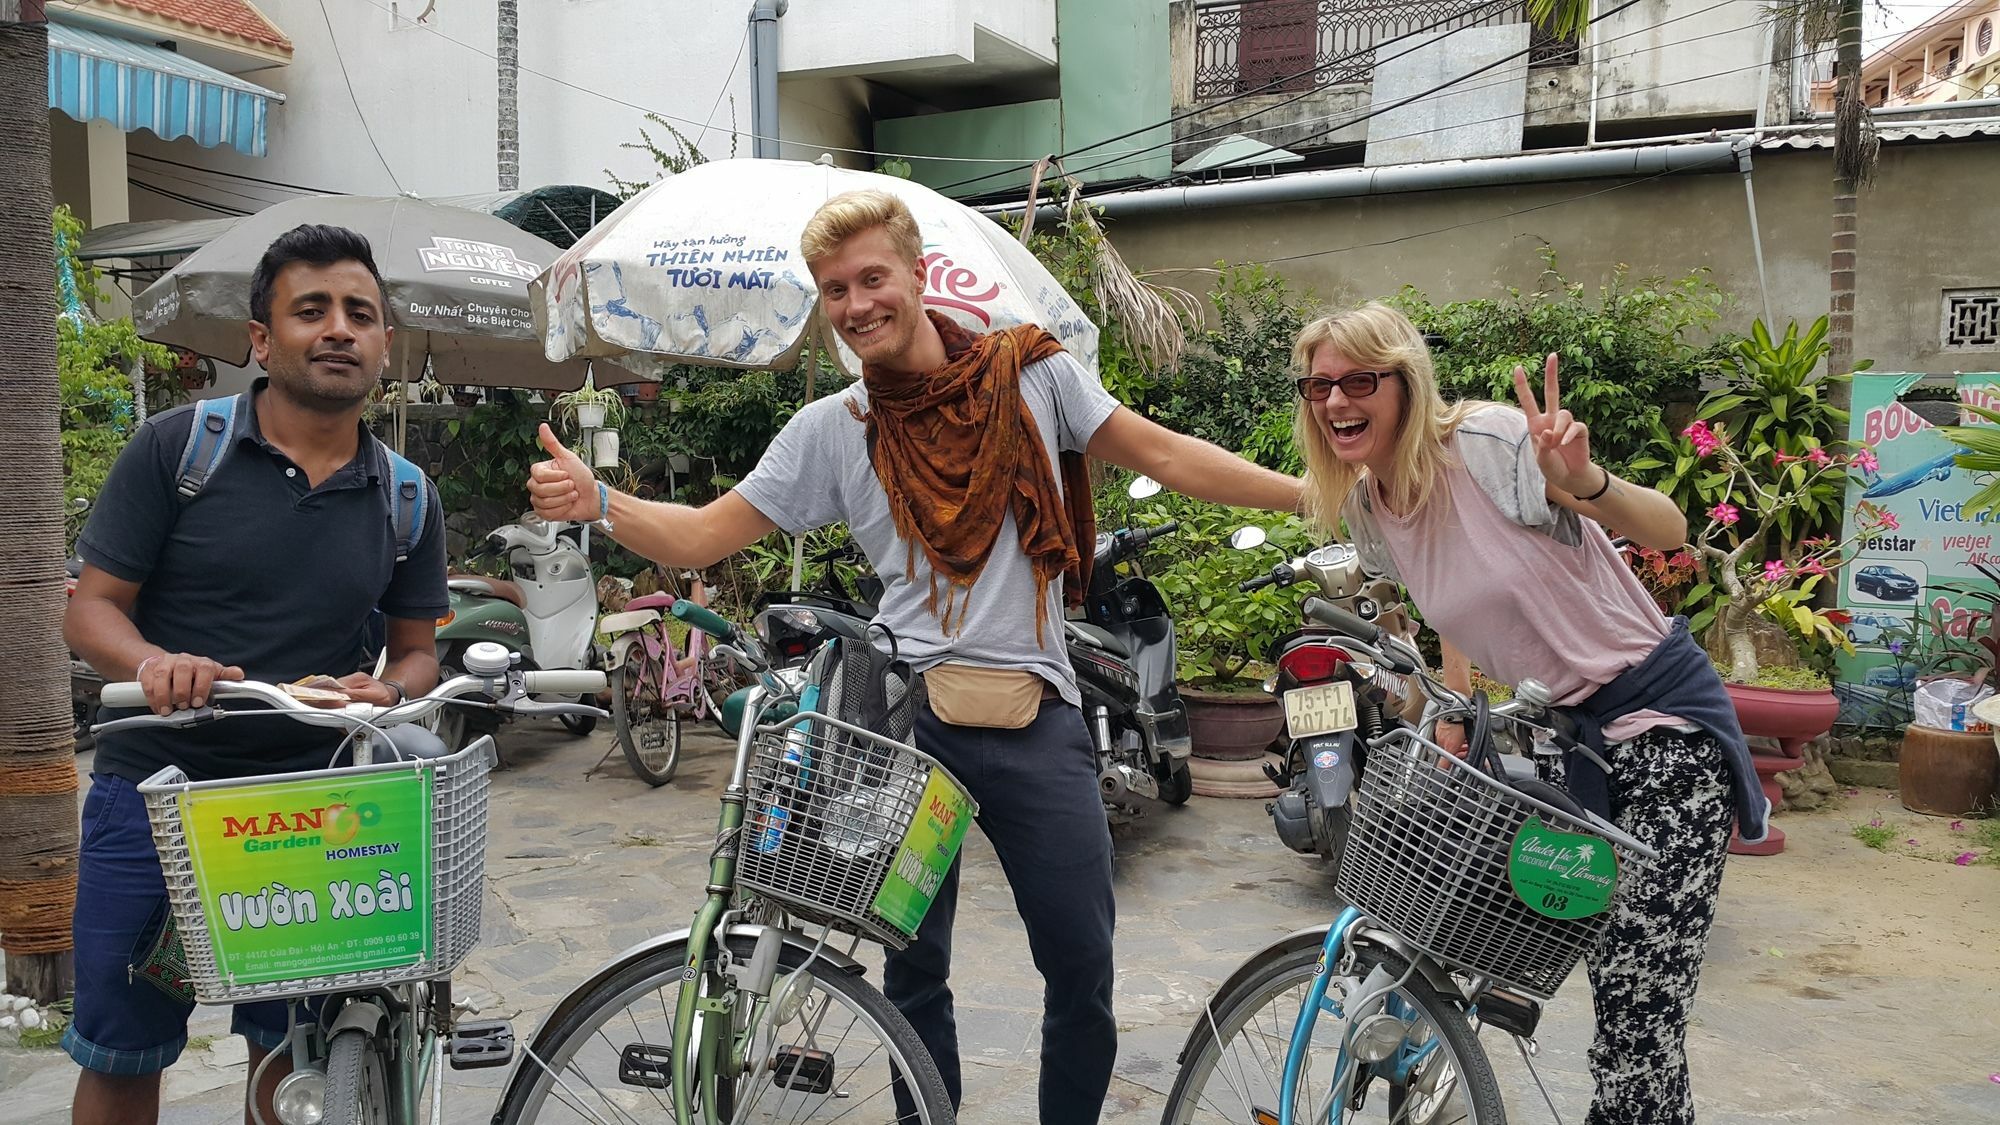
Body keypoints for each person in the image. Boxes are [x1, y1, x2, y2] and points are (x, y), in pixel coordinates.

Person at [526, 188, 1301, 1123]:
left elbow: (1165, 453)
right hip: (910, 729)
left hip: (1036, 719)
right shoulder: (834, 429)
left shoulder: (1034, 378)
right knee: (911, 973)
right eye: (834, 290)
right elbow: (701, 535)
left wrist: (1308, 496)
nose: (855, 305)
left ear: (918, 274)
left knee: (1082, 971)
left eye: (871, 278)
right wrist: (599, 502)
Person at [1290, 301, 1764, 1125]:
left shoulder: (1489, 445)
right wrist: (1447, 707)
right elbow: (1455, 605)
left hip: (1663, 734)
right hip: (1558, 742)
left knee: (1636, 1018)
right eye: (1319, 385)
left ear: (1405, 383)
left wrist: (1587, 484)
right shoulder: (1370, 512)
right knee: (1452, 926)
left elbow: (1671, 527)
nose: (1335, 401)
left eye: (1358, 380)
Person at [62, 225, 449, 1125]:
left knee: (293, 1058)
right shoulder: (176, 451)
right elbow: (89, 608)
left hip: (312, 806)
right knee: (124, 1050)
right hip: (155, 795)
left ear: (385, 342)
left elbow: (420, 647)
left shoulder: (406, 493)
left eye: (361, 313)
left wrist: (387, 689)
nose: (340, 329)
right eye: (311, 310)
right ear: (262, 340)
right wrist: (154, 663)